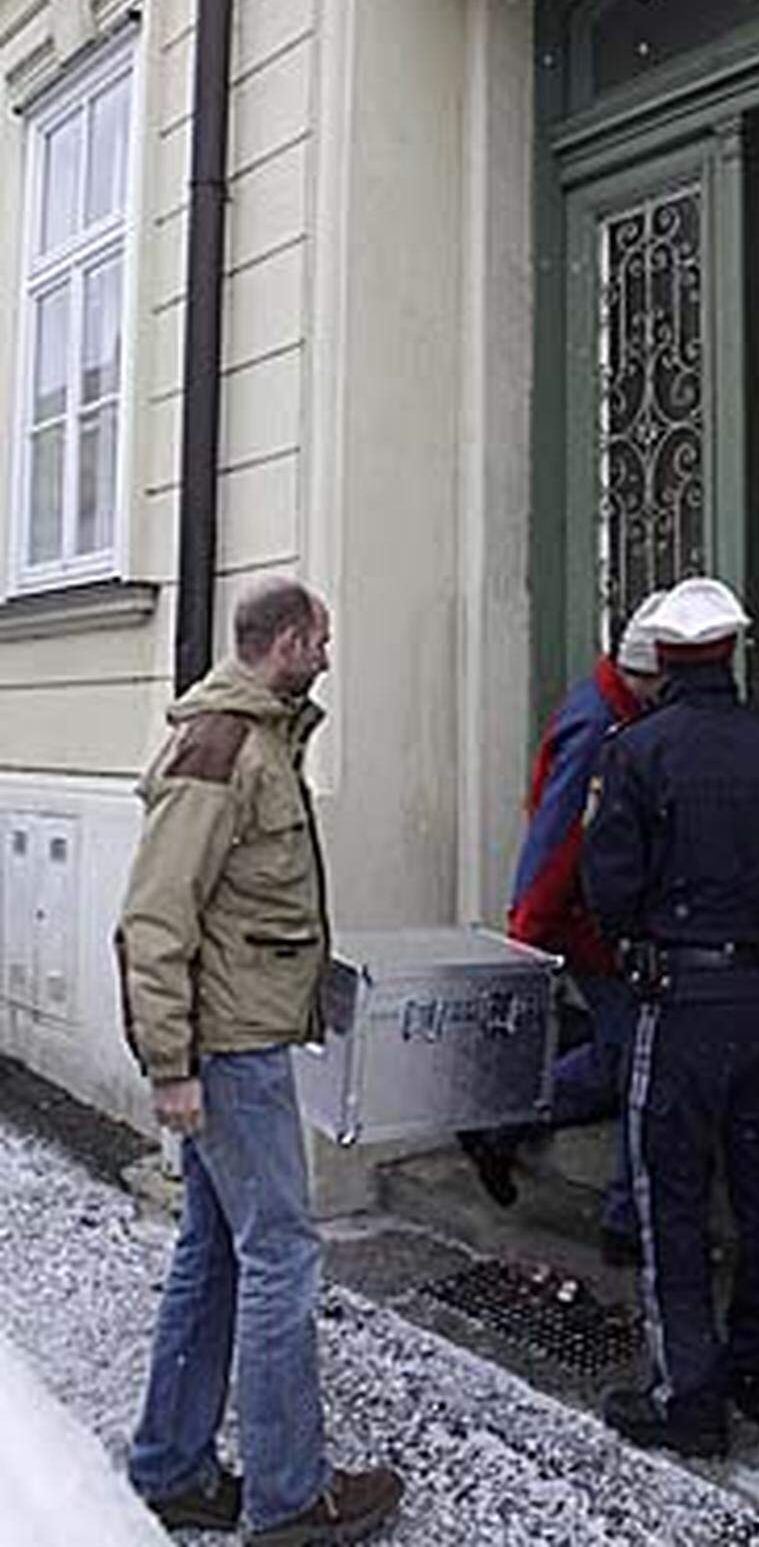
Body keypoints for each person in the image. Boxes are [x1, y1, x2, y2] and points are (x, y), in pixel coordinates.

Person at [115, 579, 402, 1545]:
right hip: (227, 1053)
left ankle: (172, 1467)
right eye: (319, 637)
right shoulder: (220, 746)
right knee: (280, 1254)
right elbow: (155, 916)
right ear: (285, 642)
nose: (328, 653)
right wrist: (171, 1066)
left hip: (240, 1039)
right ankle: (290, 1500)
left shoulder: (260, 738)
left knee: (213, 1251)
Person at [582, 577, 759, 1459]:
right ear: (730, 651)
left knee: (672, 1199)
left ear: (665, 660)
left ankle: (688, 1393)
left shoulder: (638, 753)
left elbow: (608, 889)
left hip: (679, 1003)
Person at [458, 592, 665, 1263]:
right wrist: (530, 929)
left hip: (587, 923)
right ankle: (626, 1219)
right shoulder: (603, 725)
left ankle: (502, 1123)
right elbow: (558, 836)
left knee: (618, 1056)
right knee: (642, 1060)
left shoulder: (603, 709)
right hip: (590, 930)